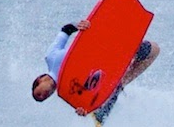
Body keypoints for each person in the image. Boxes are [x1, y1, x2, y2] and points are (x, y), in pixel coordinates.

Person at [31, 19, 160, 118]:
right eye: (44, 98)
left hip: (106, 47)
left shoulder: (51, 57)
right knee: (153, 51)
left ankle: (119, 84)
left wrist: (79, 25)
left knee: (154, 49)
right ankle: (119, 84)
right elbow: (88, 102)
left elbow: (66, 29)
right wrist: (83, 111)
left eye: (39, 93)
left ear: (40, 80)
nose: (44, 95)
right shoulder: (67, 92)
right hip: (109, 62)